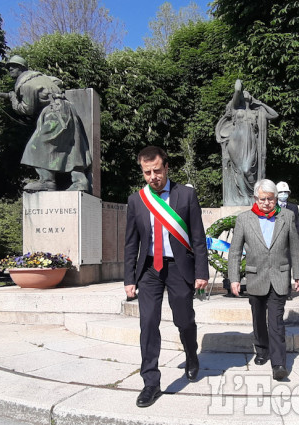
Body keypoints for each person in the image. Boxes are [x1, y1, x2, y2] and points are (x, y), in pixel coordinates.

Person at [123, 146, 209, 408]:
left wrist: (202, 272)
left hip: (178, 268)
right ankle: (151, 382)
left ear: (167, 167)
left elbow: (197, 238)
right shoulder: (136, 200)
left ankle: (192, 355)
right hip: (149, 269)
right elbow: (130, 243)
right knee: (148, 323)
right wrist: (129, 278)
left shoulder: (186, 195)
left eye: (157, 170)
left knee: (184, 320)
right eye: (147, 172)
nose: (153, 177)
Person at [228, 179, 299, 381]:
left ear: (276, 199)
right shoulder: (244, 219)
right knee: (258, 318)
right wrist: (234, 278)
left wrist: (298, 274)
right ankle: (262, 349)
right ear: (255, 198)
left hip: (279, 276)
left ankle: (278, 364)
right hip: (255, 277)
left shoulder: (286, 217)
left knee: (276, 322)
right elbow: (235, 251)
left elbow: (295, 248)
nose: (267, 203)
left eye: (271, 199)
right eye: (263, 199)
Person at [7, 55, 92, 192]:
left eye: (14, 66)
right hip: (68, 110)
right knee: (71, 147)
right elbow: (57, 81)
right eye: (9, 67)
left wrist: (13, 100)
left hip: (54, 114)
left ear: (22, 68)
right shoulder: (42, 78)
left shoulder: (27, 85)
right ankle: (80, 182)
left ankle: (47, 181)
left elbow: (27, 109)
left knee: (35, 148)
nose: (10, 68)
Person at [216, 80, 278, 206]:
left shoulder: (257, 112)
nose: (245, 94)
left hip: (250, 143)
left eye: (248, 94)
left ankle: (253, 195)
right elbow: (238, 89)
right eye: (243, 94)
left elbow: (274, 115)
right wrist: (238, 84)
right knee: (240, 169)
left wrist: (259, 103)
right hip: (235, 141)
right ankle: (244, 196)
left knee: (248, 169)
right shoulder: (235, 110)